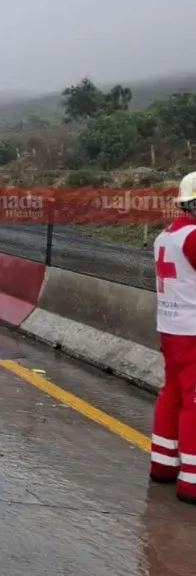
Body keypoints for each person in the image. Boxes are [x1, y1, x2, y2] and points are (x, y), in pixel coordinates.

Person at [150, 172, 196, 504]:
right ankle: (192, 482)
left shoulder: (166, 236)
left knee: (172, 394)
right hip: (193, 331)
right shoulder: (194, 238)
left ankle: (163, 465)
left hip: (170, 326)